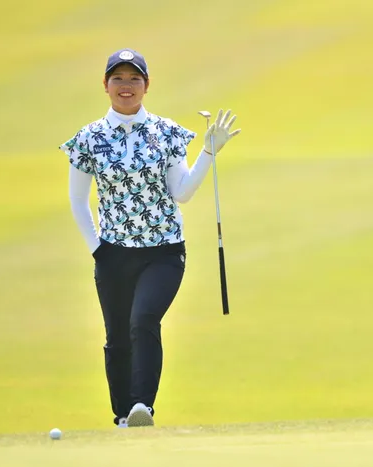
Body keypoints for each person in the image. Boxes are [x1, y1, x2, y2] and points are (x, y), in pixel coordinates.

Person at [58, 48, 240, 428]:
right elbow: (77, 200)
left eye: (134, 79)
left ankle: (143, 406)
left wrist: (208, 152)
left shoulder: (166, 132)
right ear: (105, 85)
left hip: (164, 252)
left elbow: (182, 193)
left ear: (147, 85)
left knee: (143, 320)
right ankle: (123, 415)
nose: (126, 86)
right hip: (113, 254)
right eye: (118, 78)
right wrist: (97, 249)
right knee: (117, 338)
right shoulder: (89, 138)